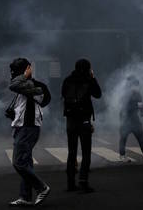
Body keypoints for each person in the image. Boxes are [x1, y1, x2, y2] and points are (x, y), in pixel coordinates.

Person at [8, 58, 51, 207]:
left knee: (19, 162)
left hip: (29, 127)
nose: (13, 74)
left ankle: (42, 187)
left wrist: (26, 76)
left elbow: (12, 85)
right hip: (23, 127)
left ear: (28, 69)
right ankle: (25, 197)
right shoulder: (24, 85)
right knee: (26, 163)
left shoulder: (34, 84)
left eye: (17, 71)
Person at [61, 58, 101, 193]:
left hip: (70, 120)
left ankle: (70, 183)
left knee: (71, 152)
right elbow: (98, 94)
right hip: (84, 120)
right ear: (88, 68)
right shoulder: (88, 79)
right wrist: (93, 77)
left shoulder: (67, 80)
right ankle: (83, 182)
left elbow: (62, 94)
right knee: (86, 152)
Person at [119, 75, 143, 162]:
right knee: (123, 138)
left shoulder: (137, 93)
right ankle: (122, 155)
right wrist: (136, 106)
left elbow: (140, 104)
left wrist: (142, 111)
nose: (135, 86)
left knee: (141, 137)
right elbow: (124, 107)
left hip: (135, 119)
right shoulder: (125, 94)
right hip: (126, 119)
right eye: (133, 84)